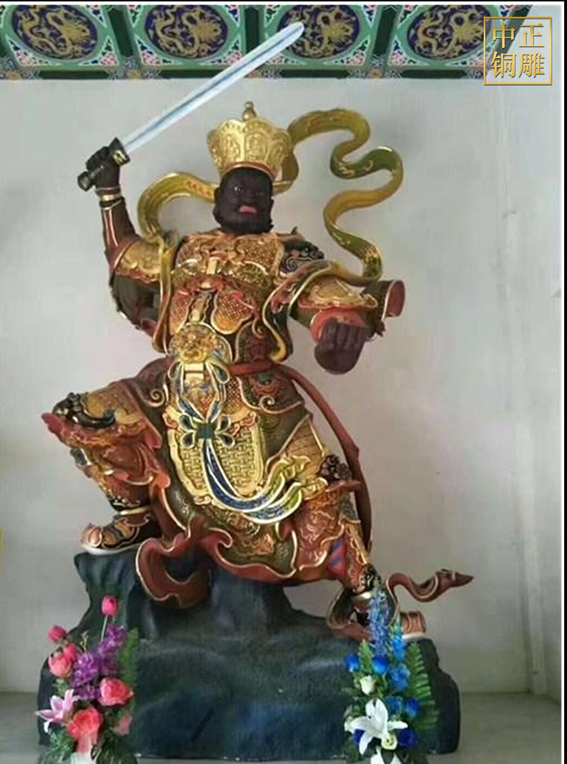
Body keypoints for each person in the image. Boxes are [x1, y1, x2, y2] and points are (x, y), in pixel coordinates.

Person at [43, 103, 405, 638]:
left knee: (321, 487)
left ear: (272, 203)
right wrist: (108, 191)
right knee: (86, 415)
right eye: (237, 187)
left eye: (259, 190)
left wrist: (339, 336)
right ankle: (135, 515)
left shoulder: (287, 254)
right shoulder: (184, 250)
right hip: (170, 388)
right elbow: (125, 257)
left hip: (253, 398)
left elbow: (327, 309)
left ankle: (363, 591)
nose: (247, 196)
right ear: (216, 196)